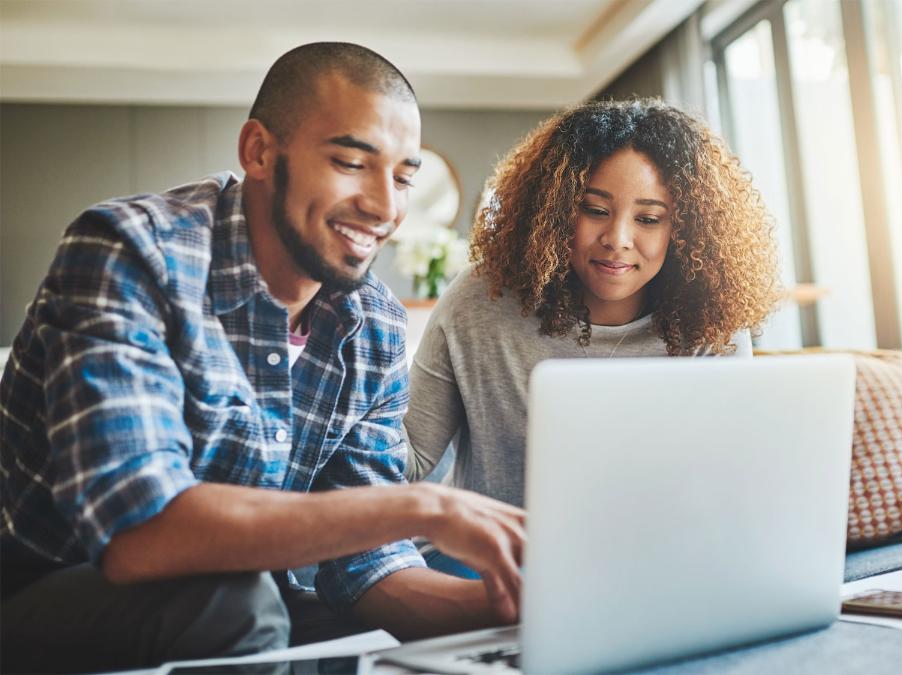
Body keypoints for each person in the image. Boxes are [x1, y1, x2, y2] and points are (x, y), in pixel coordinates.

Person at [0, 42, 525, 673]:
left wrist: (517, 609)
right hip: (42, 595)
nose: (386, 207)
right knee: (242, 605)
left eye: (404, 177)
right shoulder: (129, 254)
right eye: (351, 162)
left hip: (245, 600)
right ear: (258, 151)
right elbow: (139, 534)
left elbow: (365, 567)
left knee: (342, 626)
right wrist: (425, 506)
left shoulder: (375, 325)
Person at [404, 100, 782, 564]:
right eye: (595, 210)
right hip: (489, 565)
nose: (617, 238)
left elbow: (726, 482)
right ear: (557, 208)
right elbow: (408, 462)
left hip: (652, 562)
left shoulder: (710, 323)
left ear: (684, 229)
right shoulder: (482, 300)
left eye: (648, 218)